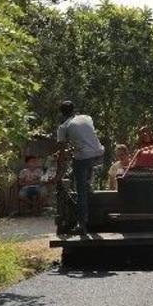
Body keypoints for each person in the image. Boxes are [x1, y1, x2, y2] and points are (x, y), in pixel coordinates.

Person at [56, 101, 104, 235]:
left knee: (80, 191)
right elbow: (85, 138)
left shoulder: (63, 127)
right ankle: (89, 188)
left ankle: (82, 224)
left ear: (61, 113)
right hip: (98, 154)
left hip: (83, 158)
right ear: (74, 110)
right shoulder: (87, 118)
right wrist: (72, 150)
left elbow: (61, 153)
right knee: (87, 185)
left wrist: (58, 174)